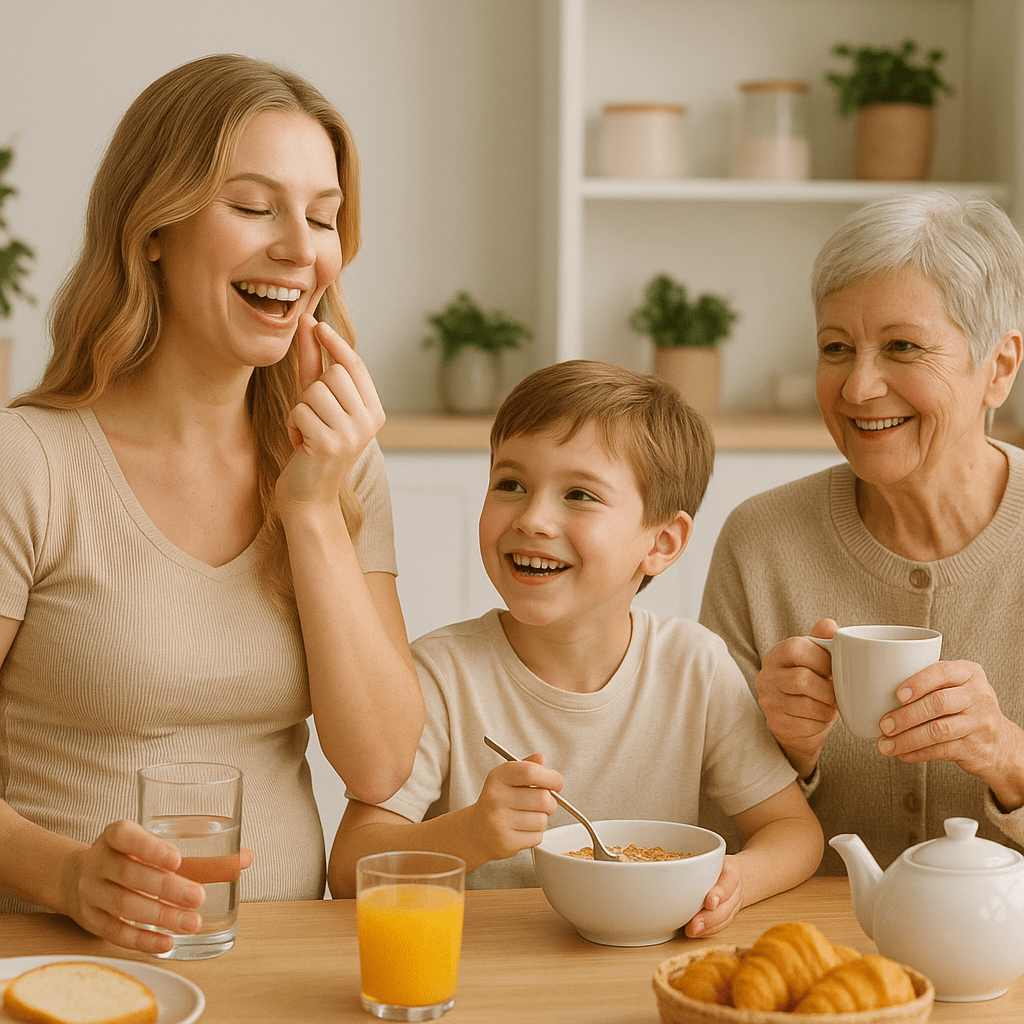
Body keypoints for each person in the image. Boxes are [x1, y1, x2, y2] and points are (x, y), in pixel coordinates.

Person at [0, 54, 424, 950]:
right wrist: (70, 875)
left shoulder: (339, 460)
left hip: (282, 962)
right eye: (253, 206)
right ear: (153, 227)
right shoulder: (27, 461)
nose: (300, 250)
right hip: (65, 961)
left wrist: (311, 510)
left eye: (322, 217)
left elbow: (381, 762)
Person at [329, 360, 822, 937]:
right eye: (510, 484)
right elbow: (349, 868)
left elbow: (793, 831)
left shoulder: (695, 668)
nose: (533, 518)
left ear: (662, 543)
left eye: (579, 494)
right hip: (479, 973)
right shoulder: (441, 674)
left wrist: (737, 878)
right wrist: (470, 835)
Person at [699, 191, 1024, 875]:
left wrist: (1005, 755)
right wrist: (787, 752)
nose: (858, 387)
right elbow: (704, 839)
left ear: (998, 368)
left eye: (902, 346)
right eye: (836, 348)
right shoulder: (759, 541)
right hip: (812, 957)